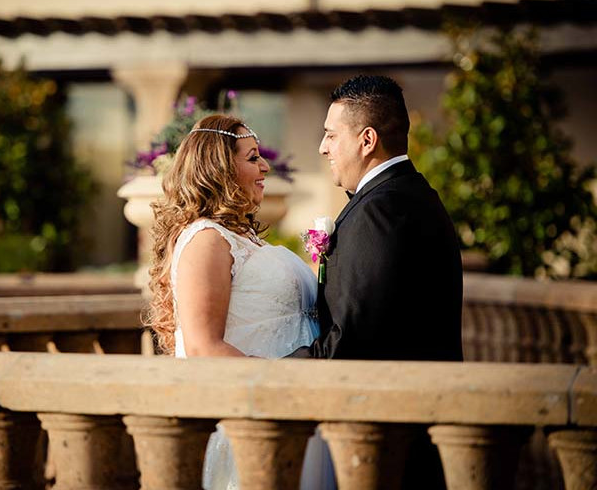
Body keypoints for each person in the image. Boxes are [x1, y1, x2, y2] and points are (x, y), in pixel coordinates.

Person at [147, 114, 335, 489]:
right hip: (257, 415)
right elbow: (203, 347)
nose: (265, 165)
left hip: (297, 410)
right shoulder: (206, 240)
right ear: (218, 167)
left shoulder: (246, 238)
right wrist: (280, 387)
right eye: (252, 158)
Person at [295, 75, 463, 488]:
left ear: (366, 140)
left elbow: (352, 338)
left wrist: (274, 369)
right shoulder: (411, 195)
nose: (323, 147)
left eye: (332, 135)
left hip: (392, 439)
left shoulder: (380, 211)